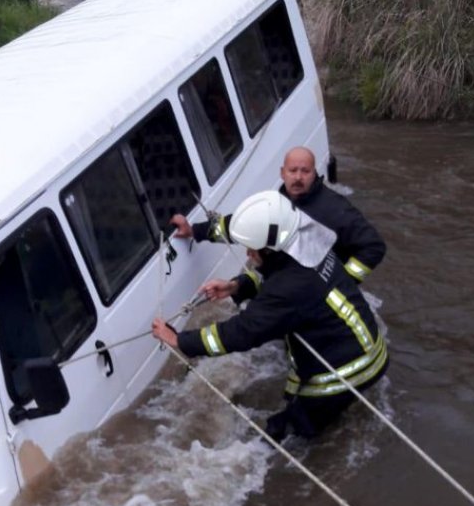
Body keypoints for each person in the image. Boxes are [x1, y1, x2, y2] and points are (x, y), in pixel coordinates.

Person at [153, 190, 389, 439]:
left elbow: (241, 333)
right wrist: (237, 285)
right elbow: (284, 282)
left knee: (289, 433)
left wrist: (180, 340)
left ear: (270, 250)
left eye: (252, 249)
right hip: (368, 347)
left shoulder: (289, 287)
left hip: (347, 371)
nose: (248, 254)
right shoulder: (306, 241)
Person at [168, 146, 385, 284]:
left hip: (322, 294)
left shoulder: (334, 209)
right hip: (291, 285)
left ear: (314, 174)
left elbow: (373, 246)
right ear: (282, 173)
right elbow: (243, 227)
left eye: (305, 171)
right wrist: (194, 231)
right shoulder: (278, 203)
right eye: (293, 171)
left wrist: (345, 281)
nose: (298, 177)